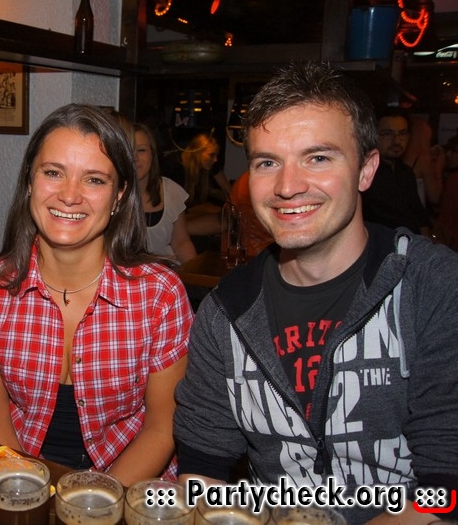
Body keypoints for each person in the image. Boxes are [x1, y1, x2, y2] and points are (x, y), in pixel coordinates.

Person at [173, 62, 458, 524]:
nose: (288, 187)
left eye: (318, 158)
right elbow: (202, 469)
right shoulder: (227, 309)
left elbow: (446, 490)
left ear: (366, 169)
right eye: (268, 162)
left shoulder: (432, 285)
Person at [0, 104, 192, 486]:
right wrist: (26, 491)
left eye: (94, 180)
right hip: (23, 477)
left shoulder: (160, 296)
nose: (69, 195)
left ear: (119, 196)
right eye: (53, 173)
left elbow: (162, 428)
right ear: (30, 181)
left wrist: (92, 502)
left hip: (130, 485)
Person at [134, 122, 197, 264]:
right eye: (129, 150)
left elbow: (181, 243)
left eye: (141, 150)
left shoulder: (170, 190)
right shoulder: (110, 194)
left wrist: (195, 273)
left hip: (168, 271)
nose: (135, 157)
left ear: (152, 154)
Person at [362, 107, 430, 236]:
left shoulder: (405, 172)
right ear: (373, 135)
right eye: (388, 134)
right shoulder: (364, 173)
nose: (397, 141)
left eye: (402, 133)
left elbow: (419, 214)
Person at [182, 133, 229, 237]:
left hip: (189, 215)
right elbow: (178, 211)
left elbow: (228, 190)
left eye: (216, 155)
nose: (215, 159)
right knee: (221, 223)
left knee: (224, 217)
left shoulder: (207, 168)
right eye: (211, 155)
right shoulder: (178, 170)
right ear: (198, 153)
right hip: (177, 220)